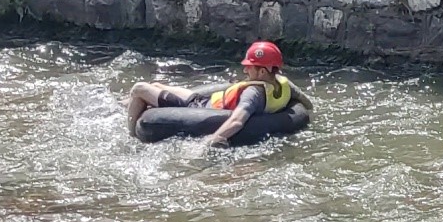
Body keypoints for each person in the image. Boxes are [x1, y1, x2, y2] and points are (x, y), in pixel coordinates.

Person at [124, 41, 312, 147]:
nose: (245, 71)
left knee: (139, 88)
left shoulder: (253, 93)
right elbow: (306, 101)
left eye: (249, 67)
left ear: (262, 71)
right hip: (203, 100)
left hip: (195, 107)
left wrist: (214, 139)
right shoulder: (283, 83)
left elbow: (237, 121)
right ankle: (127, 103)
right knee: (156, 85)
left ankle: (131, 135)